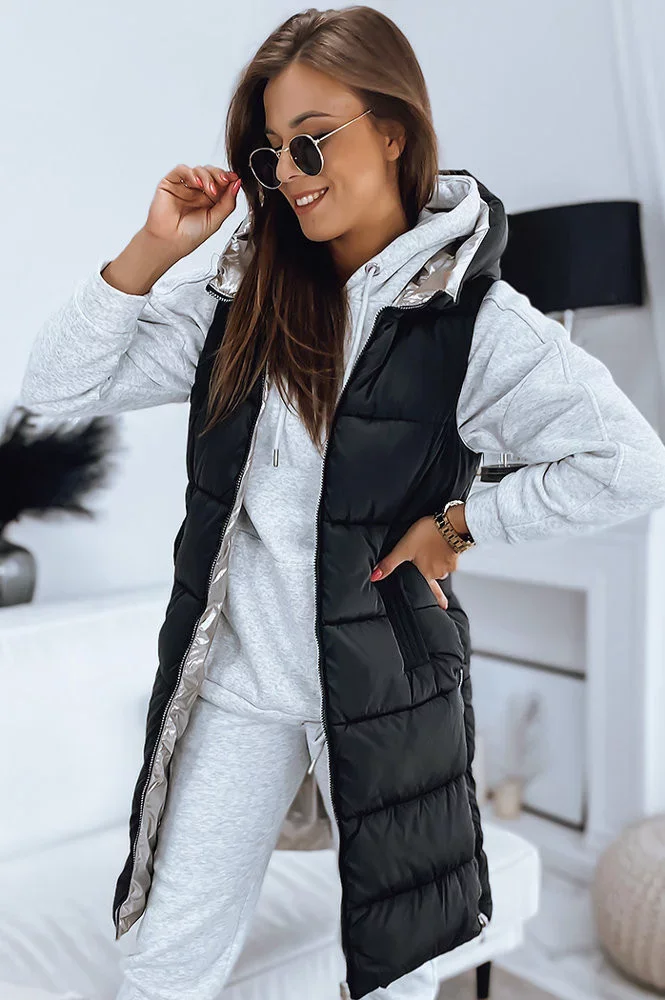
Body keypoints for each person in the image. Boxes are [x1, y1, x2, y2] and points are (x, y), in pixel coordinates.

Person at [18, 6, 665, 1000]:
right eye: (271, 150)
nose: (290, 170)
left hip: (380, 681)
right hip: (238, 684)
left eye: (311, 139)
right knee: (162, 961)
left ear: (393, 129)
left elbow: (628, 465)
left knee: (398, 968)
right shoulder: (244, 300)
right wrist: (153, 246)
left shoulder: (476, 322)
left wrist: (460, 525)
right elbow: (54, 386)